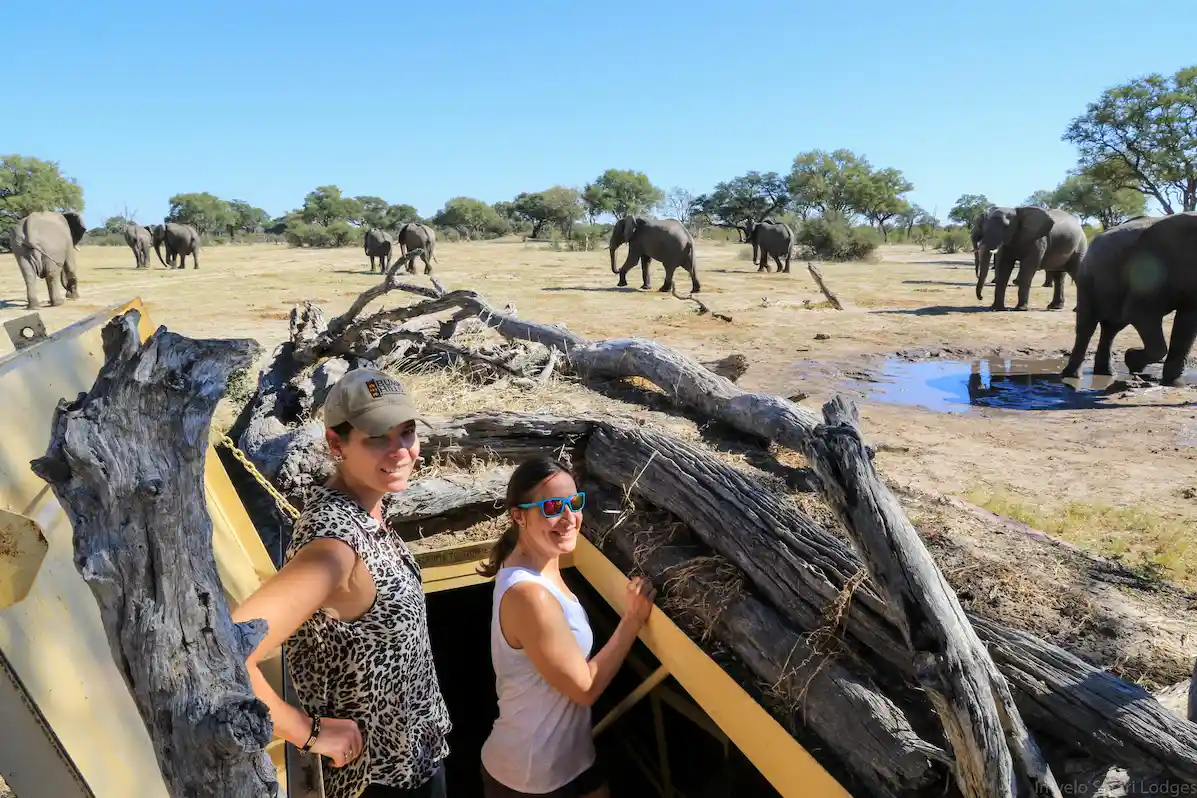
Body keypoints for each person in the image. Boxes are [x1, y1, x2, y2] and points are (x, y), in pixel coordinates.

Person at [231, 367, 451, 798]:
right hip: (379, 781)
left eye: (406, 432)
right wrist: (306, 731)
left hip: (416, 760)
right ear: (337, 444)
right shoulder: (334, 547)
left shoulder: (364, 512)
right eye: (376, 437)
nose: (400, 450)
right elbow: (226, 649)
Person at [477, 456, 656, 798]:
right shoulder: (530, 595)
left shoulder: (540, 560)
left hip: (574, 759)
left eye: (574, 503)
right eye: (552, 507)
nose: (569, 518)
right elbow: (584, 688)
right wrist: (632, 620)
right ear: (518, 516)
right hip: (529, 778)